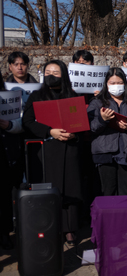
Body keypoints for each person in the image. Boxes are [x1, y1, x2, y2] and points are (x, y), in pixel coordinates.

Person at [22, 60, 83, 244]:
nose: (51, 75)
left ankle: (69, 229)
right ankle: (48, 227)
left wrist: (74, 134)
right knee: (49, 189)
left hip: (69, 149)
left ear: (63, 75)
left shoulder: (72, 95)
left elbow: (81, 124)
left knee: (70, 189)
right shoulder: (37, 96)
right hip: (45, 150)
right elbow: (28, 121)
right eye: (48, 71)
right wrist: (50, 131)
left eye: (56, 72)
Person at [87, 68, 127, 195]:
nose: (116, 86)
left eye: (119, 83)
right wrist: (102, 120)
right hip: (105, 154)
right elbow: (90, 127)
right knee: (108, 190)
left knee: (126, 191)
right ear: (106, 84)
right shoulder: (97, 102)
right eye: (112, 83)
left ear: (125, 84)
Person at [0, 72, 24, 250]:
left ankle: (5, 234)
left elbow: (20, 123)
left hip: (7, 154)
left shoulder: (8, 98)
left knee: (5, 198)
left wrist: (9, 125)